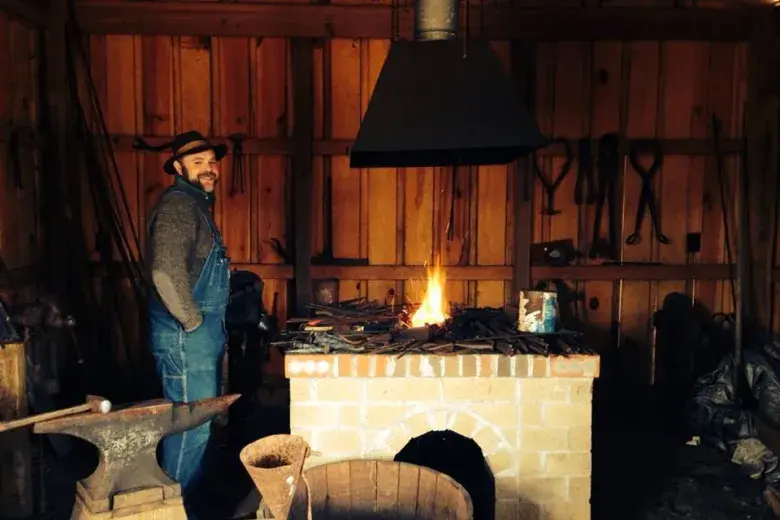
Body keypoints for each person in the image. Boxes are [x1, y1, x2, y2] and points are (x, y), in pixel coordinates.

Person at [145, 131, 230, 507]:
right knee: (187, 431)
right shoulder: (180, 206)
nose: (209, 169)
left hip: (196, 338)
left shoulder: (196, 206)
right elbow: (164, 272)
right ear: (179, 168)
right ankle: (170, 511)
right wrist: (194, 325)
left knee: (198, 427)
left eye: (212, 162)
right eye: (198, 162)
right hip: (186, 338)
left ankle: (184, 507)